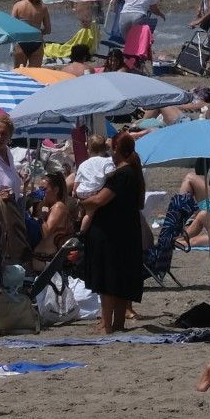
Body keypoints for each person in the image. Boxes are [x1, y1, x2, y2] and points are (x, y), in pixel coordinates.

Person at [78, 133, 147, 332]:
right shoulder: (133, 173)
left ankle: (108, 324)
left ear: (117, 149)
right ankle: (116, 323)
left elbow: (100, 200)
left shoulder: (122, 174)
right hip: (126, 231)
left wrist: (83, 202)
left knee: (107, 280)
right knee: (119, 279)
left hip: (111, 232)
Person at [11, 0, 50, 67]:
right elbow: (48, 30)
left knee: (19, 75)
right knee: (35, 76)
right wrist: (37, 31)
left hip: (22, 42)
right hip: (37, 43)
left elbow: (11, 27)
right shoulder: (43, 7)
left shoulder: (18, 6)